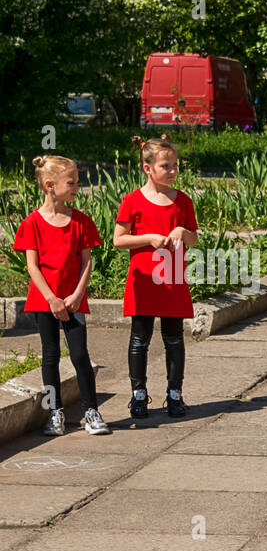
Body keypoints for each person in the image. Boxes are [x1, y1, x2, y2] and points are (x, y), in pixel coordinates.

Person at [14, 155, 106, 435]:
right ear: (50, 185)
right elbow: (32, 265)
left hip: (74, 301)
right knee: (50, 356)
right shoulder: (32, 223)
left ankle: (92, 411)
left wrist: (77, 295)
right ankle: (55, 413)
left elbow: (86, 261)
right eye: (72, 182)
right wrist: (52, 298)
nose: (77, 187)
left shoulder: (81, 222)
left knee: (80, 355)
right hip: (45, 301)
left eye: (77, 181)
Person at [112, 134, 197, 420]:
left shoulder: (182, 201)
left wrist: (183, 234)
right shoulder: (132, 201)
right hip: (144, 278)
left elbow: (194, 238)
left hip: (172, 277)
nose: (172, 171)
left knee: (174, 338)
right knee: (140, 338)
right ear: (147, 168)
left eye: (175, 165)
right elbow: (119, 240)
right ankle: (138, 395)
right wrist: (148, 238)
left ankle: (175, 394)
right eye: (165, 166)